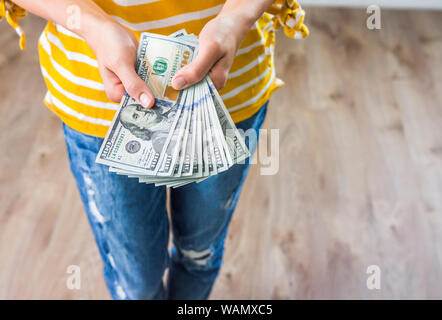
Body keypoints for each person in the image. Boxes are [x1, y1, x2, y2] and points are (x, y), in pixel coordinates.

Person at [1, 0, 308, 299]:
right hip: (100, 99)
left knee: (199, 254)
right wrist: (94, 25)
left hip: (229, 87)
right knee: (136, 278)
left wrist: (236, 18)